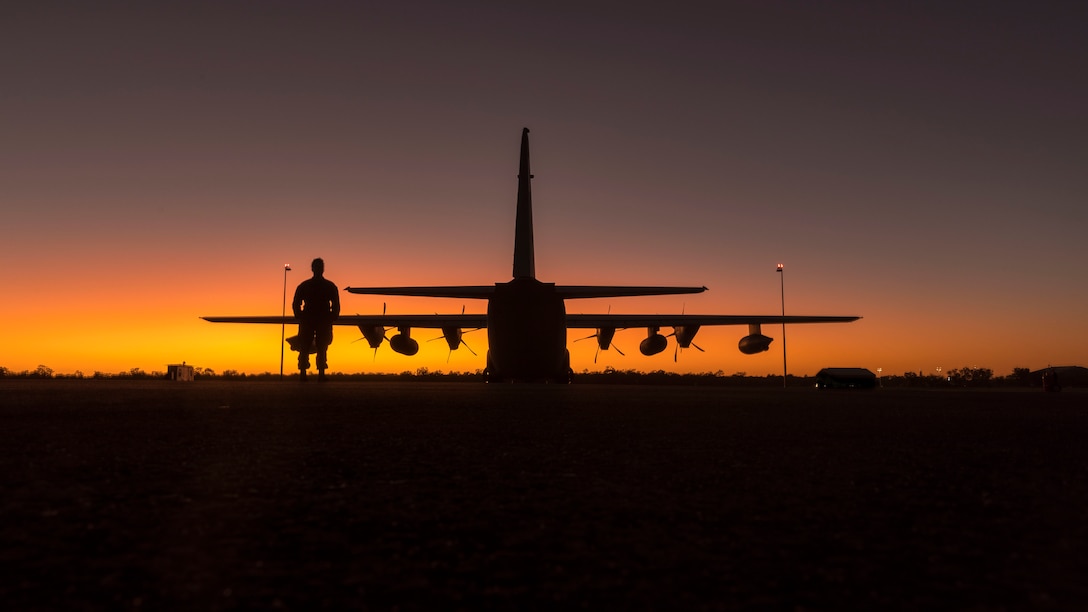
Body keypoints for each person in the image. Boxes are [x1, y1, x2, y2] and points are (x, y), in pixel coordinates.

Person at [292, 258, 340, 381]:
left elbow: (336, 303)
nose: (319, 269)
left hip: (321, 319)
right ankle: (304, 373)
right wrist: (299, 314)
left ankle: (320, 374)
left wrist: (333, 315)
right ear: (313, 269)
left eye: (320, 267)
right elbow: (296, 302)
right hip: (311, 318)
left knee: (321, 346)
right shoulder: (306, 286)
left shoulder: (328, 286)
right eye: (317, 267)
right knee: (305, 346)